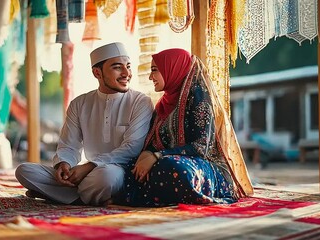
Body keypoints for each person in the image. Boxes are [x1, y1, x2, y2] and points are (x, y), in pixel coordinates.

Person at [15, 42, 154, 206]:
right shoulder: (79, 103)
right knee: (24, 171)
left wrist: (89, 167)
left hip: (117, 170)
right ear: (97, 73)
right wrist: (64, 165)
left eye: (128, 66)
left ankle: (62, 196)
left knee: (107, 177)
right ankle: (84, 196)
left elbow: (132, 148)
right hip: (86, 175)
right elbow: (69, 145)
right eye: (117, 67)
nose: (126, 73)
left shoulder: (140, 102)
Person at [114, 48, 254, 207]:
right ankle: (159, 196)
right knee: (132, 165)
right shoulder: (163, 105)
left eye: (154, 70)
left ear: (172, 69)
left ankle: (157, 196)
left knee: (175, 168)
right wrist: (147, 154)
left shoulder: (199, 97)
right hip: (169, 161)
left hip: (206, 168)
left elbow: (201, 148)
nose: (150, 76)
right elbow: (154, 142)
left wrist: (157, 156)